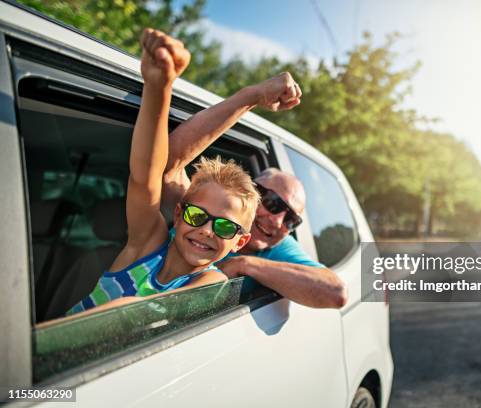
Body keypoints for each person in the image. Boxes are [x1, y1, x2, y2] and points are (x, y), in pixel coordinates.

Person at [67, 29, 260, 316]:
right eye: (197, 215)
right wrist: (158, 86)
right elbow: (145, 178)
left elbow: (137, 315)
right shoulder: (147, 244)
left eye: (224, 226)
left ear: (240, 241)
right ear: (180, 213)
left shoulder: (210, 280)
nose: (206, 230)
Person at [163, 74, 348, 309]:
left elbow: (336, 292)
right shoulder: (199, 214)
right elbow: (168, 164)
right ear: (251, 193)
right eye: (273, 203)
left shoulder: (275, 248)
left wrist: (244, 265)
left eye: (291, 219)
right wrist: (251, 97)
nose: (277, 221)